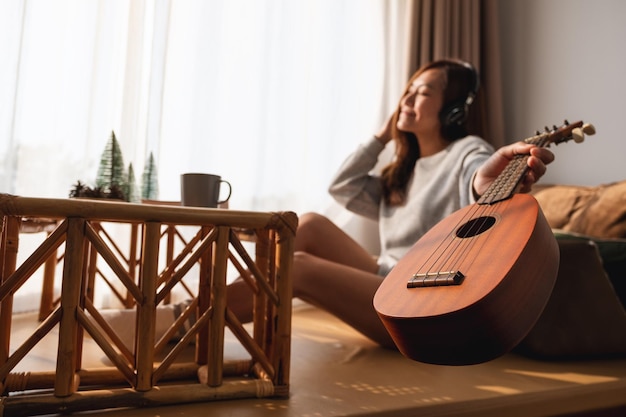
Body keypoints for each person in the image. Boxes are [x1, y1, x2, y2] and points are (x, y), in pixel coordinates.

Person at [225, 59, 555, 349]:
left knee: (299, 267)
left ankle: (189, 320)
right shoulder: (405, 169)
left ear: (453, 109)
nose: (407, 99)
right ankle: (207, 313)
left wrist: (483, 185)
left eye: (423, 93)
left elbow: (479, 177)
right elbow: (342, 187)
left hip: (418, 294)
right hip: (386, 274)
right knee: (308, 223)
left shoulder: (467, 151)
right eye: (408, 91)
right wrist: (381, 137)